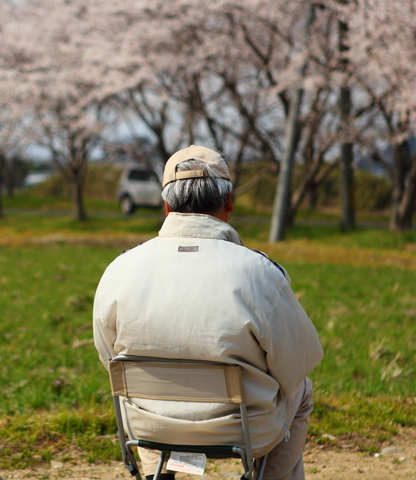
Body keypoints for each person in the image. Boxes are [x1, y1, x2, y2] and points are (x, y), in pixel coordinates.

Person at [93, 146, 323, 480]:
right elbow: (297, 364)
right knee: (302, 390)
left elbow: (109, 359)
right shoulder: (260, 272)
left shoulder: (120, 268)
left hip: (149, 425)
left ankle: (158, 474)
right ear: (229, 202)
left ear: (166, 206)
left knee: (138, 397)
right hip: (243, 429)